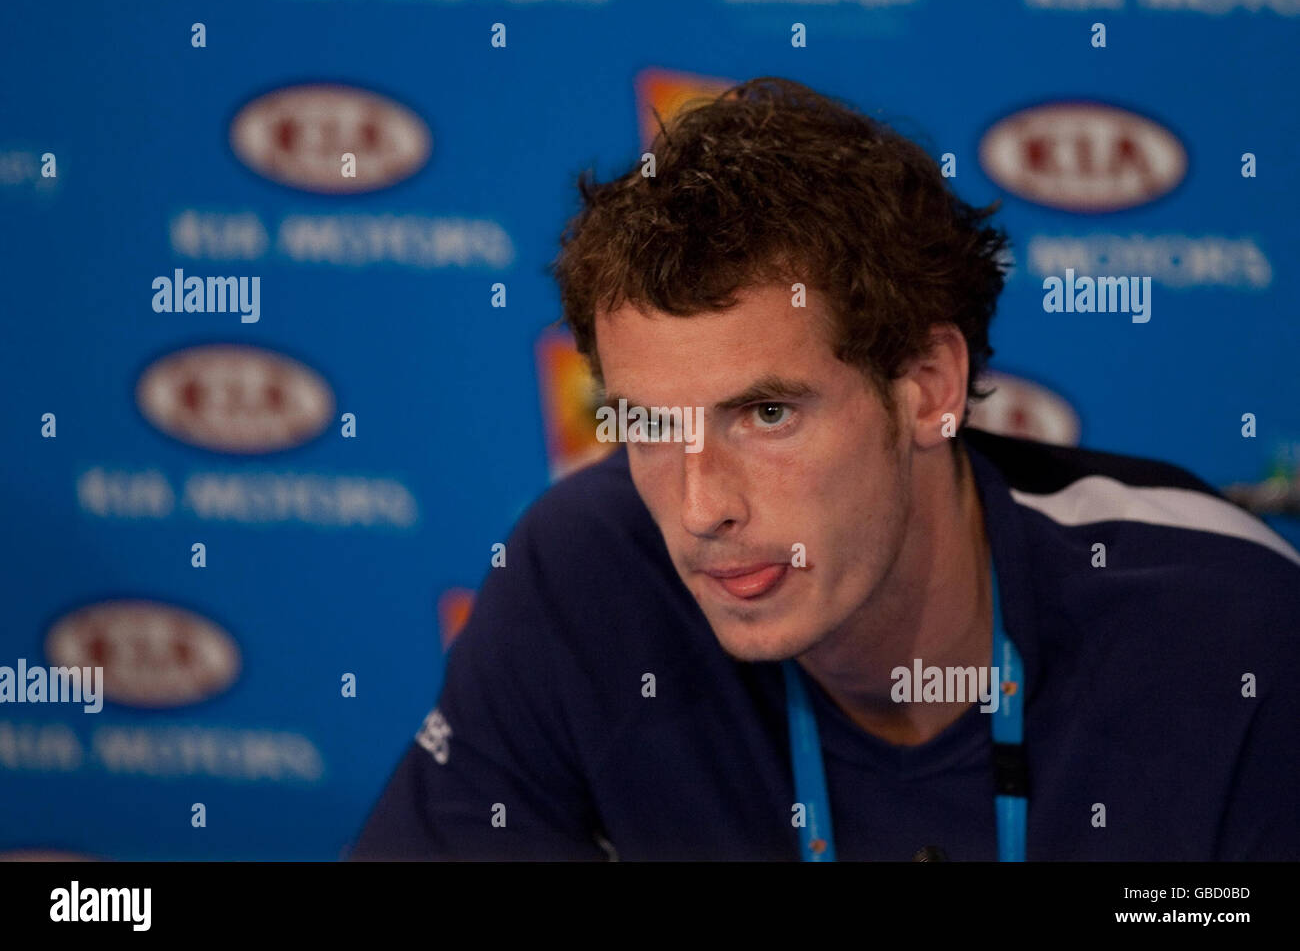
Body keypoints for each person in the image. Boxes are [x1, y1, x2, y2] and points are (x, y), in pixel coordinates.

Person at [351, 77, 1300, 861]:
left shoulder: (1229, 635)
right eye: (646, 423)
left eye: (767, 414)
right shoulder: (582, 582)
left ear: (927, 386)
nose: (699, 506)